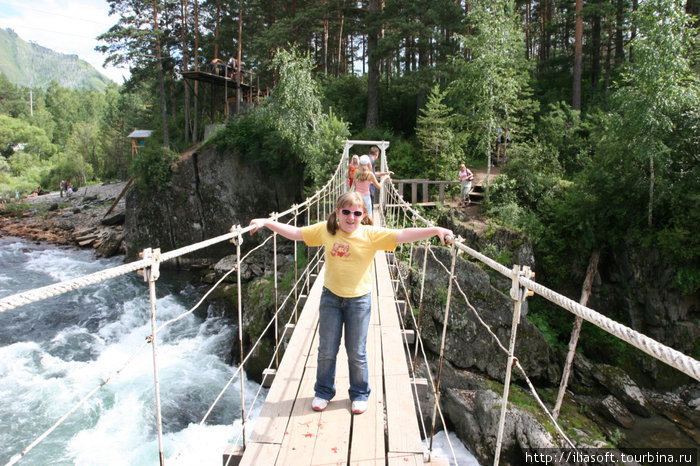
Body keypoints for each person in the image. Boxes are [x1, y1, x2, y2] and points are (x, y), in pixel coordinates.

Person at [248, 192, 453, 415]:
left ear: (363, 215)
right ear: (337, 213)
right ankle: (324, 391)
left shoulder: (371, 234)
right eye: (346, 212)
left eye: (357, 213)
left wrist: (435, 230)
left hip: (359, 301)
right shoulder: (326, 231)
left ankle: (359, 393)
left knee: (356, 351)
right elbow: (297, 233)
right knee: (326, 349)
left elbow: (402, 234)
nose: (351, 217)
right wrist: (267, 222)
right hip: (331, 298)